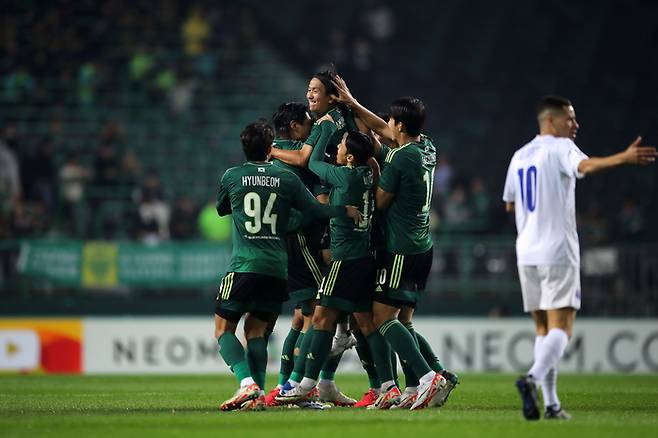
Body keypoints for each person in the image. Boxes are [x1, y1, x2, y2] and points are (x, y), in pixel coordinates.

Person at [502, 96, 657, 421]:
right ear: (551, 122)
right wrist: (624, 158)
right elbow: (586, 166)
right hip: (557, 251)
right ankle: (530, 379)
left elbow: (510, 205)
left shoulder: (519, 155)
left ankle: (552, 404)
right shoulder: (560, 148)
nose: (575, 125)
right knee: (563, 328)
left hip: (526, 252)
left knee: (543, 330)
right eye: (570, 119)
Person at [214, 121, 360, 412]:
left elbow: (221, 208)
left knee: (223, 330)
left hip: (244, 265)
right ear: (271, 149)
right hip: (276, 269)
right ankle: (258, 397)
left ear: (244, 148)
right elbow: (317, 210)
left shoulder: (232, 176)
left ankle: (246, 384)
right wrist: (344, 210)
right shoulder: (286, 179)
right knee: (256, 332)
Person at [331, 77, 451, 410]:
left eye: (391, 122)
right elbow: (381, 128)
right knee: (404, 319)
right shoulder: (426, 147)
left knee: (383, 317)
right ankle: (415, 386)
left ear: (399, 124)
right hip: (423, 245)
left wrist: (369, 169)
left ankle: (430, 376)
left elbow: (381, 202)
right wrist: (353, 103)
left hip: (402, 248)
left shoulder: (398, 159)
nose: (387, 127)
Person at [276, 130, 378, 406]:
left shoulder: (344, 175)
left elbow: (312, 162)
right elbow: (371, 161)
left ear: (351, 157)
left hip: (345, 259)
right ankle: (385, 386)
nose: (339, 147)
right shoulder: (368, 174)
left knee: (320, 319)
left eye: (343, 145)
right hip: (366, 258)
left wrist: (322, 129)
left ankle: (306, 384)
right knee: (367, 325)